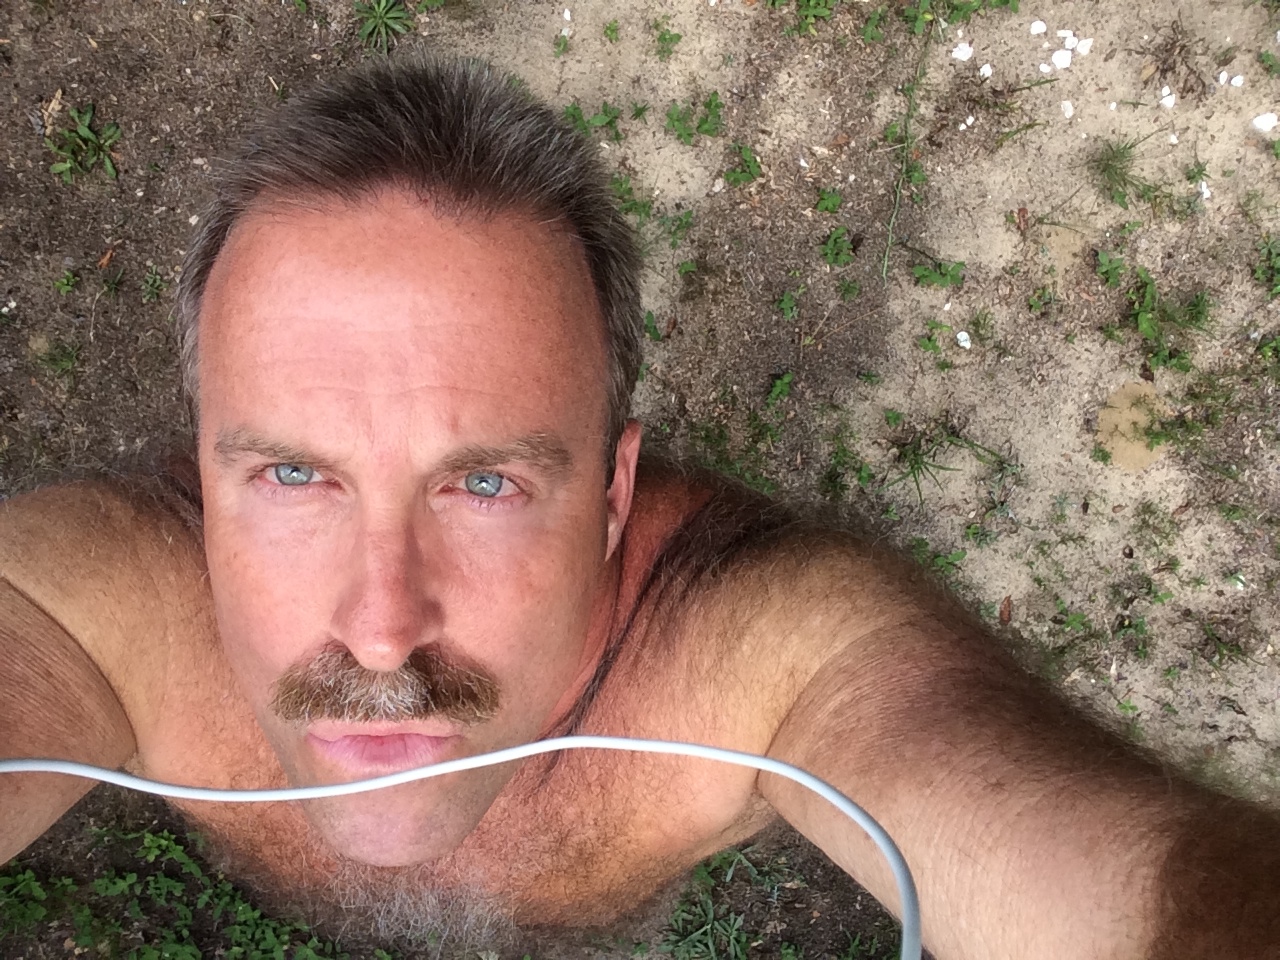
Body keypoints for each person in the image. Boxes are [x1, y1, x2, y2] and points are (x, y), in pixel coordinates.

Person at [0, 56, 1277, 960]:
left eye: (484, 483)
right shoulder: (94, 610)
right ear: (201, 472)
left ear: (614, 494)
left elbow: (1116, 883)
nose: (380, 629)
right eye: (293, 475)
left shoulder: (756, 654)